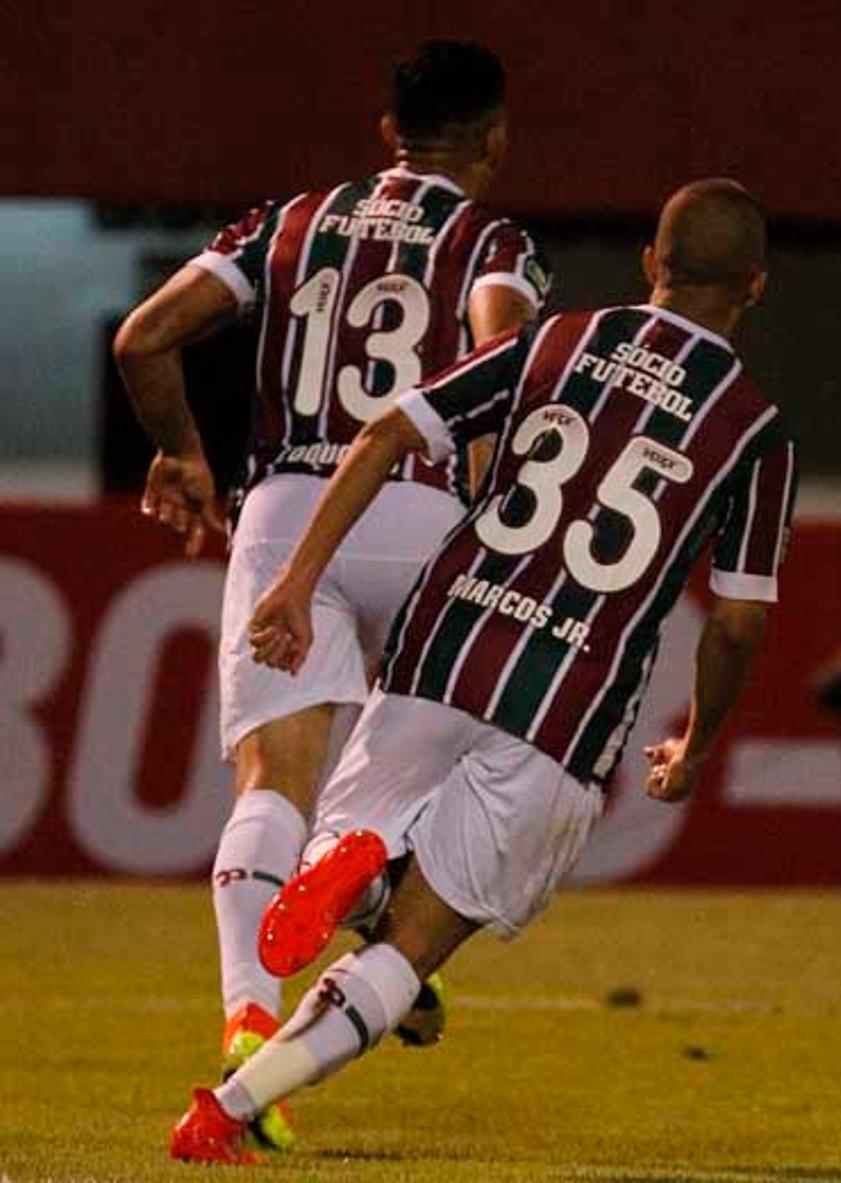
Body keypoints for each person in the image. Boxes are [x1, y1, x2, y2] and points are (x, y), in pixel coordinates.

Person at [167, 178, 797, 1164]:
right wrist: (699, 737)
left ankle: (360, 877)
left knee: (332, 835)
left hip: (442, 647)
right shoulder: (753, 430)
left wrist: (295, 582)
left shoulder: (557, 340)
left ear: (651, 265)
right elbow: (741, 621)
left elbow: (383, 433)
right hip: (565, 704)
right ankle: (231, 1106)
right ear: (754, 288)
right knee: (415, 951)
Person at [114, 40, 549, 1151]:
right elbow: (504, 357)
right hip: (416, 506)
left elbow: (146, 336)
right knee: (440, 760)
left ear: (385, 130)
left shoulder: (288, 221)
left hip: (285, 510)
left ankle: (250, 1018)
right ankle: (373, 907)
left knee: (275, 775)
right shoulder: (487, 241)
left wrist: (183, 453)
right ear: (494, 137)